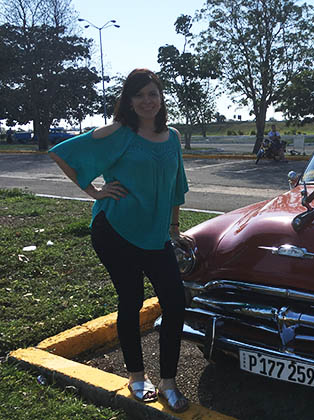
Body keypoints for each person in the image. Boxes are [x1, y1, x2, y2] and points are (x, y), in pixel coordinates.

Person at [49, 68, 191, 413]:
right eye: (139, 95)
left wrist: (173, 230)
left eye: (152, 94)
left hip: (156, 237)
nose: (147, 101)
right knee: (131, 299)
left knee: (175, 303)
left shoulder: (171, 137)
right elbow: (65, 154)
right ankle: (137, 377)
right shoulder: (119, 133)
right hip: (116, 232)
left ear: (161, 99)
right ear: (129, 101)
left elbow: (175, 187)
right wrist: (94, 191)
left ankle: (168, 382)